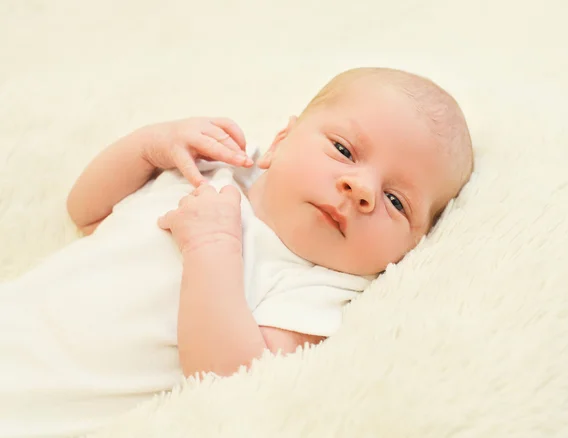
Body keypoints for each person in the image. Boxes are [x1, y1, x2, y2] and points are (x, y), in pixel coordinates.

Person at [0, 67, 473, 437]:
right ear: (282, 141)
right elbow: (85, 210)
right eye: (345, 150)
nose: (361, 187)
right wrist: (149, 148)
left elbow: (231, 378)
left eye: (396, 201)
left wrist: (214, 248)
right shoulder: (205, 171)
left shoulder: (317, 287)